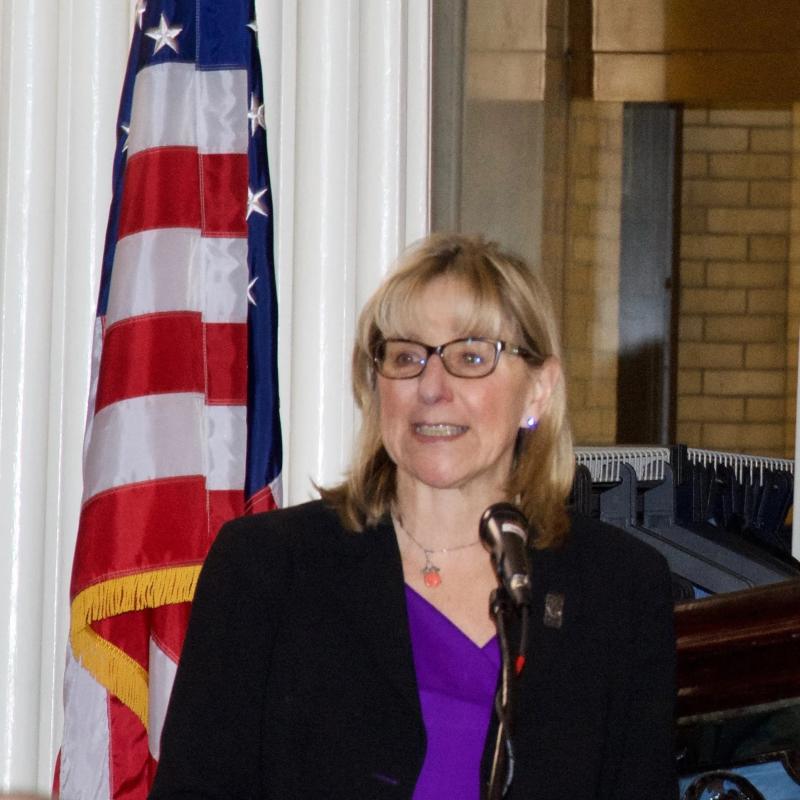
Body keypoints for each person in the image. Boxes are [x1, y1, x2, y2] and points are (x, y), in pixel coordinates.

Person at [149, 233, 677, 799]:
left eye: (471, 357)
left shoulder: (619, 589)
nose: (432, 388)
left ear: (538, 392)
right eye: (406, 357)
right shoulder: (270, 567)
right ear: (375, 386)